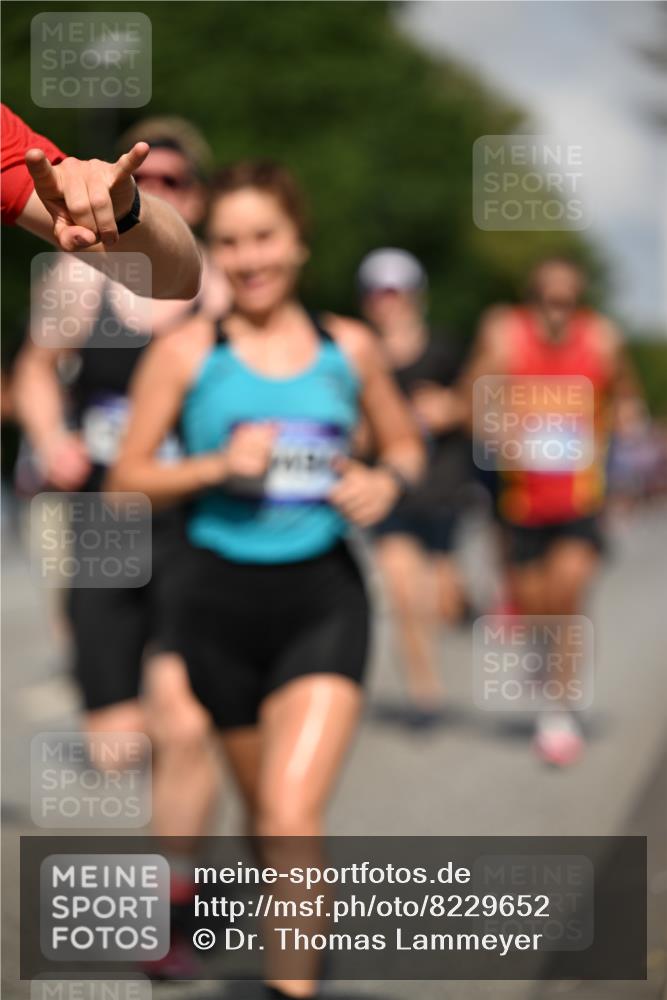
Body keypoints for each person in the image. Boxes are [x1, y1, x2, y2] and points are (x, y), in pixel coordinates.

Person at [110, 161, 424, 999]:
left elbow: (402, 447)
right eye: (228, 242)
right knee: (264, 820)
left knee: (288, 816)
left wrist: (383, 482)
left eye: (264, 238)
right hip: (215, 606)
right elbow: (124, 479)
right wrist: (215, 462)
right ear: (209, 251)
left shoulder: (346, 347)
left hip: (320, 599)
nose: (248, 259)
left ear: (297, 243)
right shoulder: (185, 353)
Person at [12, 117, 230, 977]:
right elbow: (35, 368)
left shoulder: (214, 287)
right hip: (104, 521)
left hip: (195, 525)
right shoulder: (80, 277)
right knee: (117, 740)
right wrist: (50, 433)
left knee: (185, 722)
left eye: (176, 181)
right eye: (154, 176)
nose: (161, 190)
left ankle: (176, 898)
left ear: (194, 195)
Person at [463, 258, 642, 765]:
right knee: (538, 605)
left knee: (570, 594)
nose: (556, 314)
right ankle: (541, 661)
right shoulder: (504, 335)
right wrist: (498, 432)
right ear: (532, 298)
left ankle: (558, 713)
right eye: (547, 301)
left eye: (567, 302)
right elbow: (474, 399)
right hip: (521, 501)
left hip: (580, 499)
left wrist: (628, 414)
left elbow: (626, 392)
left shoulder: (602, 339)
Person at [352, 247, 471, 723]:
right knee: (403, 594)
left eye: (395, 291)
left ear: (414, 295)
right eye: (378, 293)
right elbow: (351, 422)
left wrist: (451, 408)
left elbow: (482, 402)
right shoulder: (362, 353)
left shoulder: (446, 348)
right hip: (392, 490)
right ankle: (426, 690)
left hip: (443, 491)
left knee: (441, 603)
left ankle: (461, 601)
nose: (388, 301)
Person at [1, 103, 200, 298]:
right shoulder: (74, 277)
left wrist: (126, 212)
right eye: (140, 179)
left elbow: (175, 277)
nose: (153, 188)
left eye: (170, 181)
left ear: (197, 197)